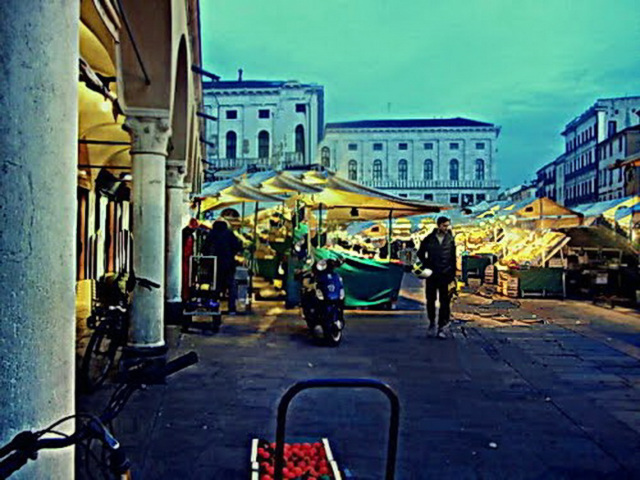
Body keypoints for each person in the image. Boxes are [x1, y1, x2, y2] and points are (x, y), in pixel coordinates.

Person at [417, 216, 456, 338]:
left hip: (446, 274)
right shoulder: (429, 239)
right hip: (432, 274)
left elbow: (453, 257)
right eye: (444, 225)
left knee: (445, 301)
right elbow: (420, 253)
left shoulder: (450, 239)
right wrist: (426, 264)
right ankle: (432, 322)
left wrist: (453, 275)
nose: (446, 228)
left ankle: (441, 327)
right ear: (438, 225)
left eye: (448, 225)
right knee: (430, 300)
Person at [202, 218, 242, 314]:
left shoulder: (211, 234)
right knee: (231, 286)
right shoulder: (229, 234)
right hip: (228, 264)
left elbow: (204, 248)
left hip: (214, 264)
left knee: (215, 285)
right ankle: (231, 308)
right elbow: (237, 246)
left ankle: (213, 306)